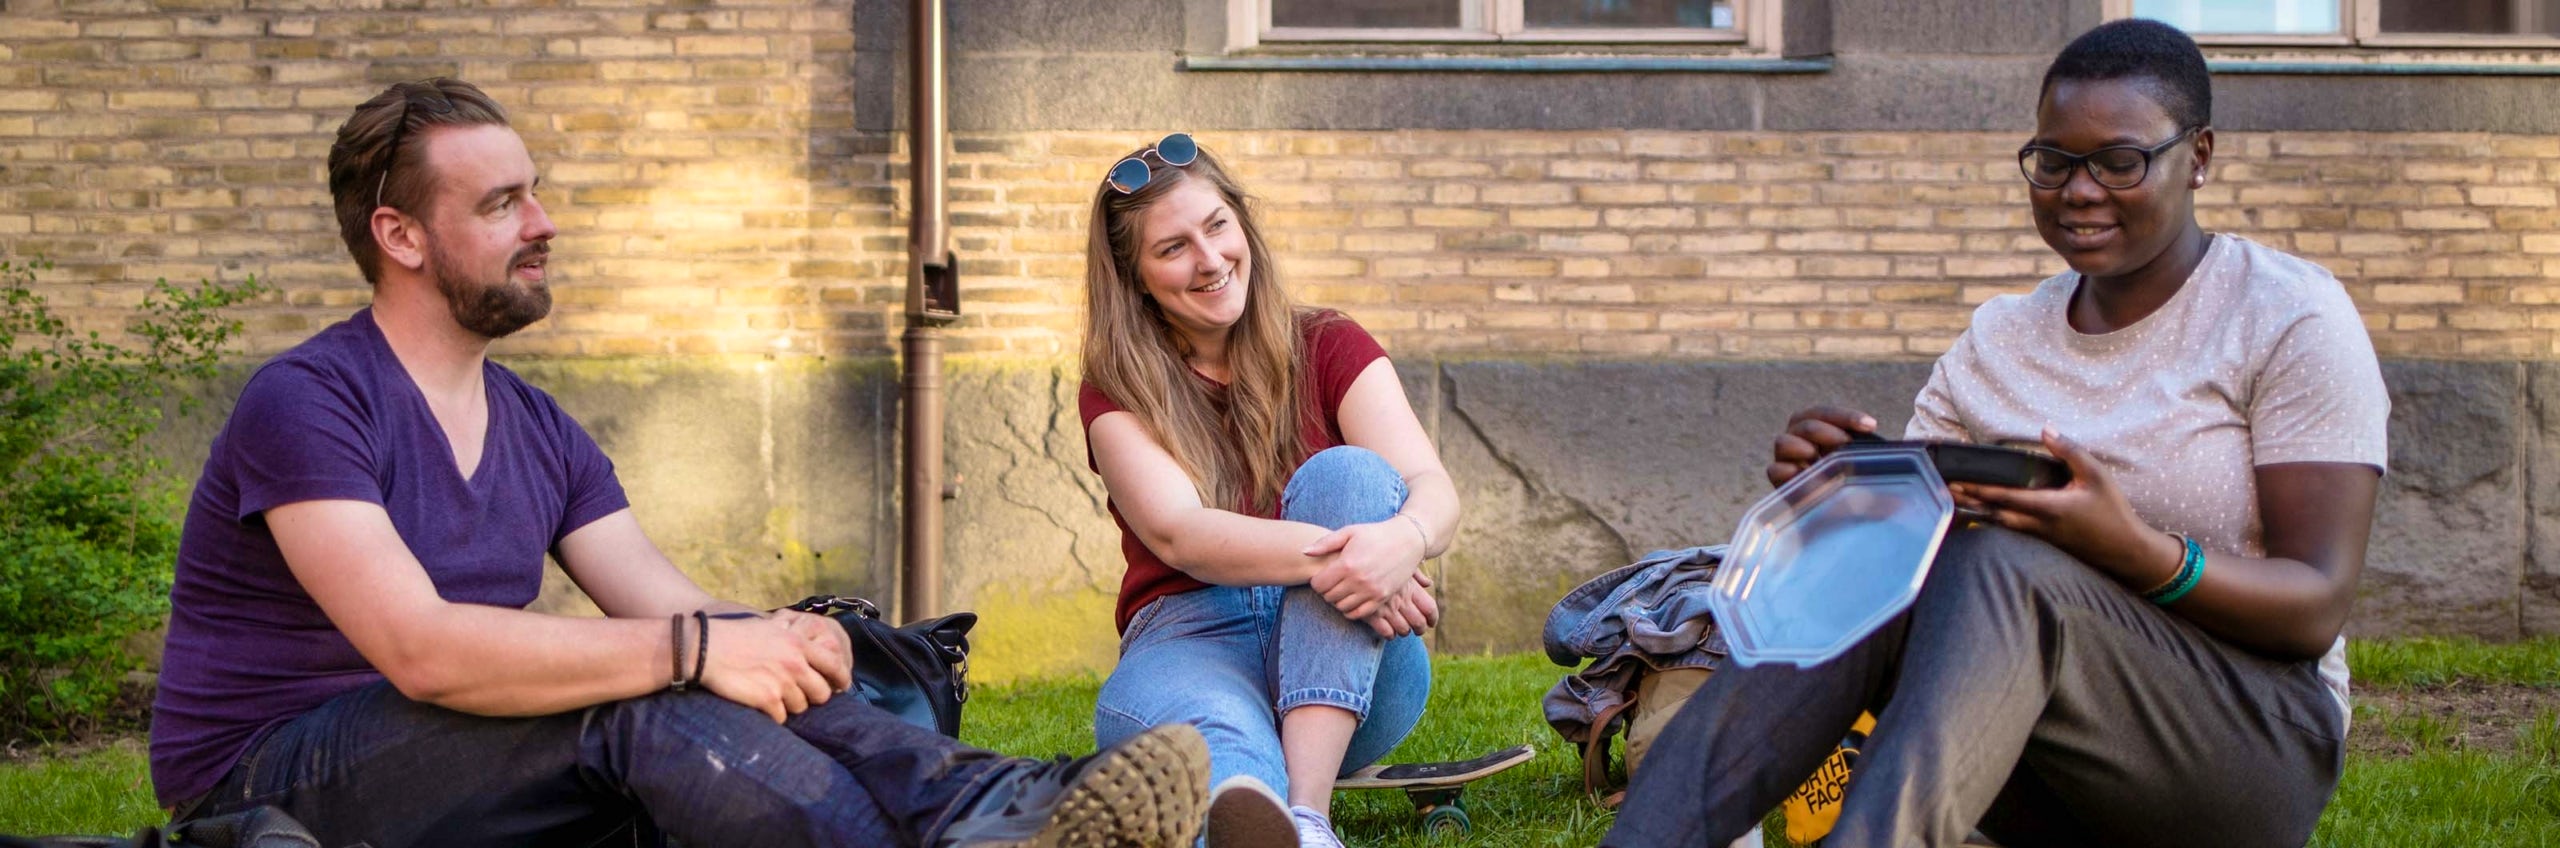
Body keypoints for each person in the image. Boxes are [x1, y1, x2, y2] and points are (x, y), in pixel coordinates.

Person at [146, 78, 1215, 848]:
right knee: (646, 685)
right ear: (402, 235)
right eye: (501, 203)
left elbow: (664, 602)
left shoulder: (535, 424)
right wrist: (697, 645)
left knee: (716, 659)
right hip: (273, 771)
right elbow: (421, 650)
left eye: (535, 192)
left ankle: (1010, 809)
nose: (544, 223)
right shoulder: (309, 398)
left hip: (464, 752)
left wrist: (779, 638)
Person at [1604, 19, 2388, 848]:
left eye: (2119, 162)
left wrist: (2130, 548)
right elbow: (1903, 557)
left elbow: (2314, 608)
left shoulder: (2286, 314)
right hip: (2027, 755)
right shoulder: (2002, 337)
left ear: (2198, 157)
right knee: (1863, 570)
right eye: (2053, 162)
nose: (2079, 190)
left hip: (2245, 746)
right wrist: (1834, 491)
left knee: (2008, 565)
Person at [1073, 134, 1462, 848]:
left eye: (1218, 227)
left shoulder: (1329, 343)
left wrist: (1401, 540)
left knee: (1351, 476)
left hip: (1349, 652)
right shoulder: (1116, 391)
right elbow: (1178, 534)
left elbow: (1431, 488)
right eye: (1173, 248)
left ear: (1243, 225)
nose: (1210, 259)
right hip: (1190, 638)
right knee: (1220, 757)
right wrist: (1358, 559)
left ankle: (1308, 815)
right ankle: (1254, 817)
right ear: (1135, 279)